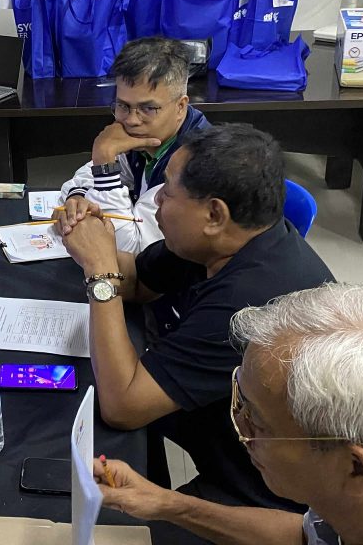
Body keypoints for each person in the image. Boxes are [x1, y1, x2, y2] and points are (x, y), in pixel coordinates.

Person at [57, 124, 335, 527]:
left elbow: (122, 407)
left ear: (214, 214)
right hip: (217, 435)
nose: (158, 204)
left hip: (264, 501)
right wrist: (91, 236)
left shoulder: (250, 303)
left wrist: (100, 271)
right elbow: (137, 279)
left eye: (167, 192)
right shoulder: (219, 242)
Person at [93, 283, 363, 545]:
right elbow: (307, 537)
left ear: (356, 469)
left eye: (256, 422)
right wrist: (167, 504)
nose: (239, 426)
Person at [59, 37, 209, 255]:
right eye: (123, 105)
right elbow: (85, 177)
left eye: (148, 108)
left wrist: (105, 165)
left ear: (180, 106)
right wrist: (78, 197)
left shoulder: (193, 166)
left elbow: (130, 252)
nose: (131, 120)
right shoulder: (146, 139)